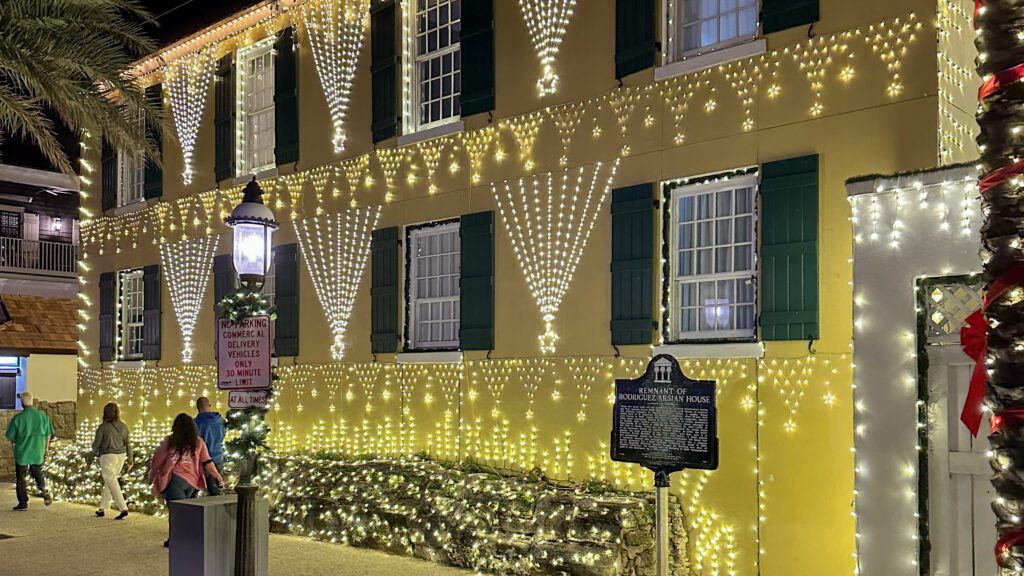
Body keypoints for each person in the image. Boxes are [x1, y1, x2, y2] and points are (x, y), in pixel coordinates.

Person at [149, 413, 224, 547]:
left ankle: (176, 540)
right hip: (192, 482)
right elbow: (207, 461)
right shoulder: (198, 441)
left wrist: (153, 474)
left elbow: (157, 460)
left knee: (176, 513)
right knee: (187, 511)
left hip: (175, 481)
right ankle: (188, 538)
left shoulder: (170, 441)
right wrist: (217, 475)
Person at [5, 392, 53, 511]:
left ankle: (23, 503)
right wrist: (46, 448)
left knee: (21, 477)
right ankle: (44, 490)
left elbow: (10, 437)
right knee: (36, 471)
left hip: (22, 452)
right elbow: (48, 434)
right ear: (32, 401)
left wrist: (16, 442)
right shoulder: (43, 416)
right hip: (38, 450)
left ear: (22, 403)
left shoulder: (18, 418)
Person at [92, 402, 132, 519]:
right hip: (121, 455)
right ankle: (102, 508)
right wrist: (130, 459)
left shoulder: (102, 427)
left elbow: (96, 445)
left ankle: (123, 507)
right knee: (110, 481)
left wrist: (91, 456)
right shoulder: (123, 426)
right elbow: (128, 444)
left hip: (107, 456)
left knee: (112, 482)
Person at [194, 397, 225, 496]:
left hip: (205, 459)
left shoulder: (197, 422)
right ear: (209, 405)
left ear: (198, 407)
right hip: (219, 457)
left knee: (200, 489)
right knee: (216, 487)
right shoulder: (220, 420)